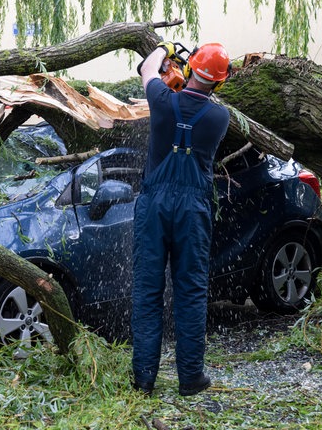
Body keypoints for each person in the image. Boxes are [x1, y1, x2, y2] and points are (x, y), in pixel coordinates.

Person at [132, 42, 231, 397]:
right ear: (219, 83)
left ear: (188, 69)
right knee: (190, 292)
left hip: (154, 207)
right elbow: (196, 110)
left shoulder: (160, 101)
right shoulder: (221, 118)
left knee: (147, 291)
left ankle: (144, 378)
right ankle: (190, 378)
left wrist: (162, 49)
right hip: (193, 210)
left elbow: (147, 69)